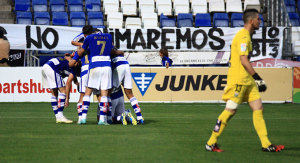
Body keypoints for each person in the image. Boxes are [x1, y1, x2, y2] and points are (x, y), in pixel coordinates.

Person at [205, 9, 284, 152]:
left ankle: (266, 144)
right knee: (231, 110)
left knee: (258, 108)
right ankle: (211, 142)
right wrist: (257, 77)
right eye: (258, 19)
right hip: (239, 80)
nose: (260, 21)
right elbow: (243, 60)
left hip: (247, 81)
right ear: (251, 21)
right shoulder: (243, 37)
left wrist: (253, 79)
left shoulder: (246, 36)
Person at [76, 29, 114, 125]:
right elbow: (112, 49)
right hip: (106, 65)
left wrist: (81, 49)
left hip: (94, 65)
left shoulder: (89, 37)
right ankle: (102, 119)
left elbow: (81, 53)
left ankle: (83, 118)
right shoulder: (109, 36)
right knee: (104, 93)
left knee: (88, 92)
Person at [41, 54, 79, 123]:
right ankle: (60, 116)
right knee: (63, 91)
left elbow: (74, 78)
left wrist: (77, 83)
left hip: (46, 66)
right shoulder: (72, 66)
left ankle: (57, 117)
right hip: (53, 68)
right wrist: (67, 98)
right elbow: (68, 83)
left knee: (54, 93)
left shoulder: (68, 61)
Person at [68, 25, 94, 124]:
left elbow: (72, 63)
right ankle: (104, 118)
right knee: (101, 94)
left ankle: (81, 118)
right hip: (94, 68)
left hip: (84, 70)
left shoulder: (81, 49)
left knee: (82, 95)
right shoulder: (94, 43)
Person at [111, 48, 144, 124]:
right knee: (129, 93)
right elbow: (120, 52)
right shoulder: (112, 44)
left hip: (117, 64)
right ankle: (139, 117)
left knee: (110, 90)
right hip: (125, 63)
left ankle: (124, 116)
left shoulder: (106, 44)